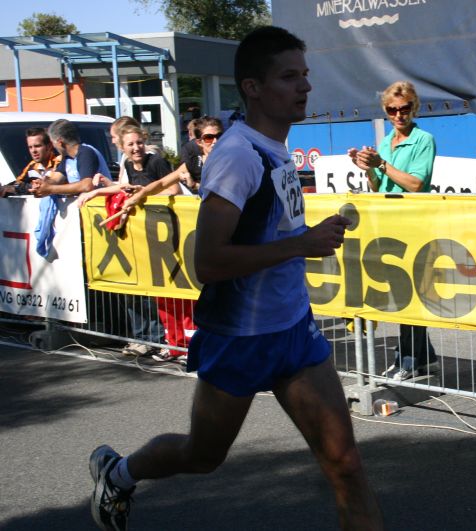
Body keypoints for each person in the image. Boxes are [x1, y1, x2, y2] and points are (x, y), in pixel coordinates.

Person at [89, 26, 383, 531]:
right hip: (240, 338)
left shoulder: (277, 146)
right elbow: (209, 262)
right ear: (252, 87)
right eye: (289, 77)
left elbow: (270, 229)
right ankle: (118, 474)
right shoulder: (238, 156)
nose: (305, 86)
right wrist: (301, 245)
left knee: (347, 465)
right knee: (203, 455)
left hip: (293, 330)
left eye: (305, 75)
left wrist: (308, 234)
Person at [347, 80, 438, 381]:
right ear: (385, 111)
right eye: (392, 110)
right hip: (389, 224)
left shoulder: (423, 139)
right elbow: (378, 186)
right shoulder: (386, 141)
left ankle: (408, 359)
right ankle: (425, 358)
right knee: (400, 292)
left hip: (413, 225)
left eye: (405, 108)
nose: (399, 115)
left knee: (408, 294)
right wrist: (367, 168)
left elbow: (416, 183)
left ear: (415, 107)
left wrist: (381, 164)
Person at [31, 119, 111, 198]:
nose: (54, 147)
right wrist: (41, 185)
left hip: (100, 204)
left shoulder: (86, 153)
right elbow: (56, 179)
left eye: (53, 143)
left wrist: (50, 189)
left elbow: (87, 185)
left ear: (60, 142)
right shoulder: (67, 157)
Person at [0, 127, 60, 197]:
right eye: (30, 147)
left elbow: (46, 187)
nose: (33, 151)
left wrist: (23, 188)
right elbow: (18, 182)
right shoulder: (33, 165)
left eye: (37, 146)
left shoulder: (60, 162)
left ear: (49, 146)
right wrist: (6, 188)